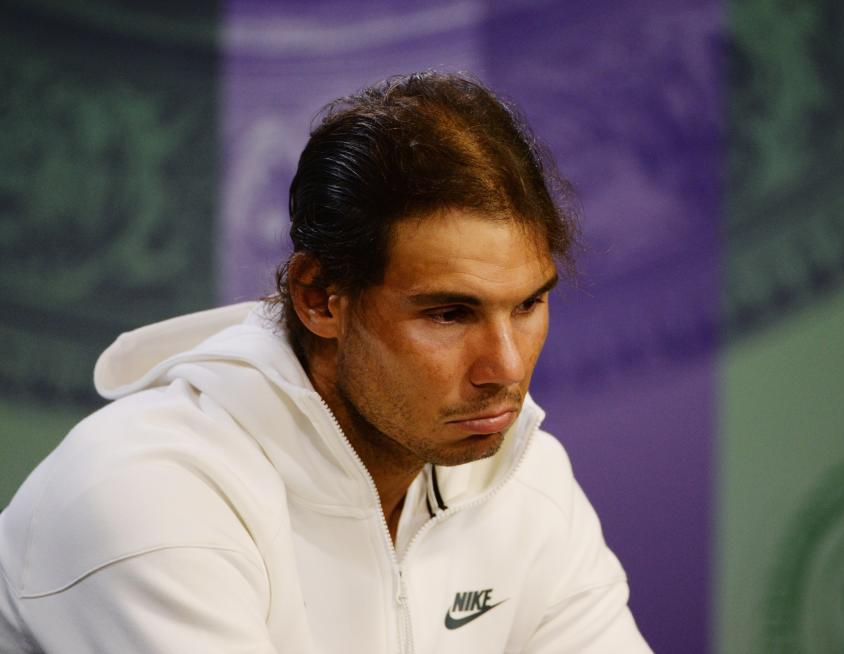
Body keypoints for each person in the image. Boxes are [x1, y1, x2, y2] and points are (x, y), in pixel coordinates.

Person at [0, 72, 653, 653]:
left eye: (528, 304)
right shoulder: (148, 497)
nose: (505, 369)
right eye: (448, 314)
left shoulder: (525, 479)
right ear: (319, 298)